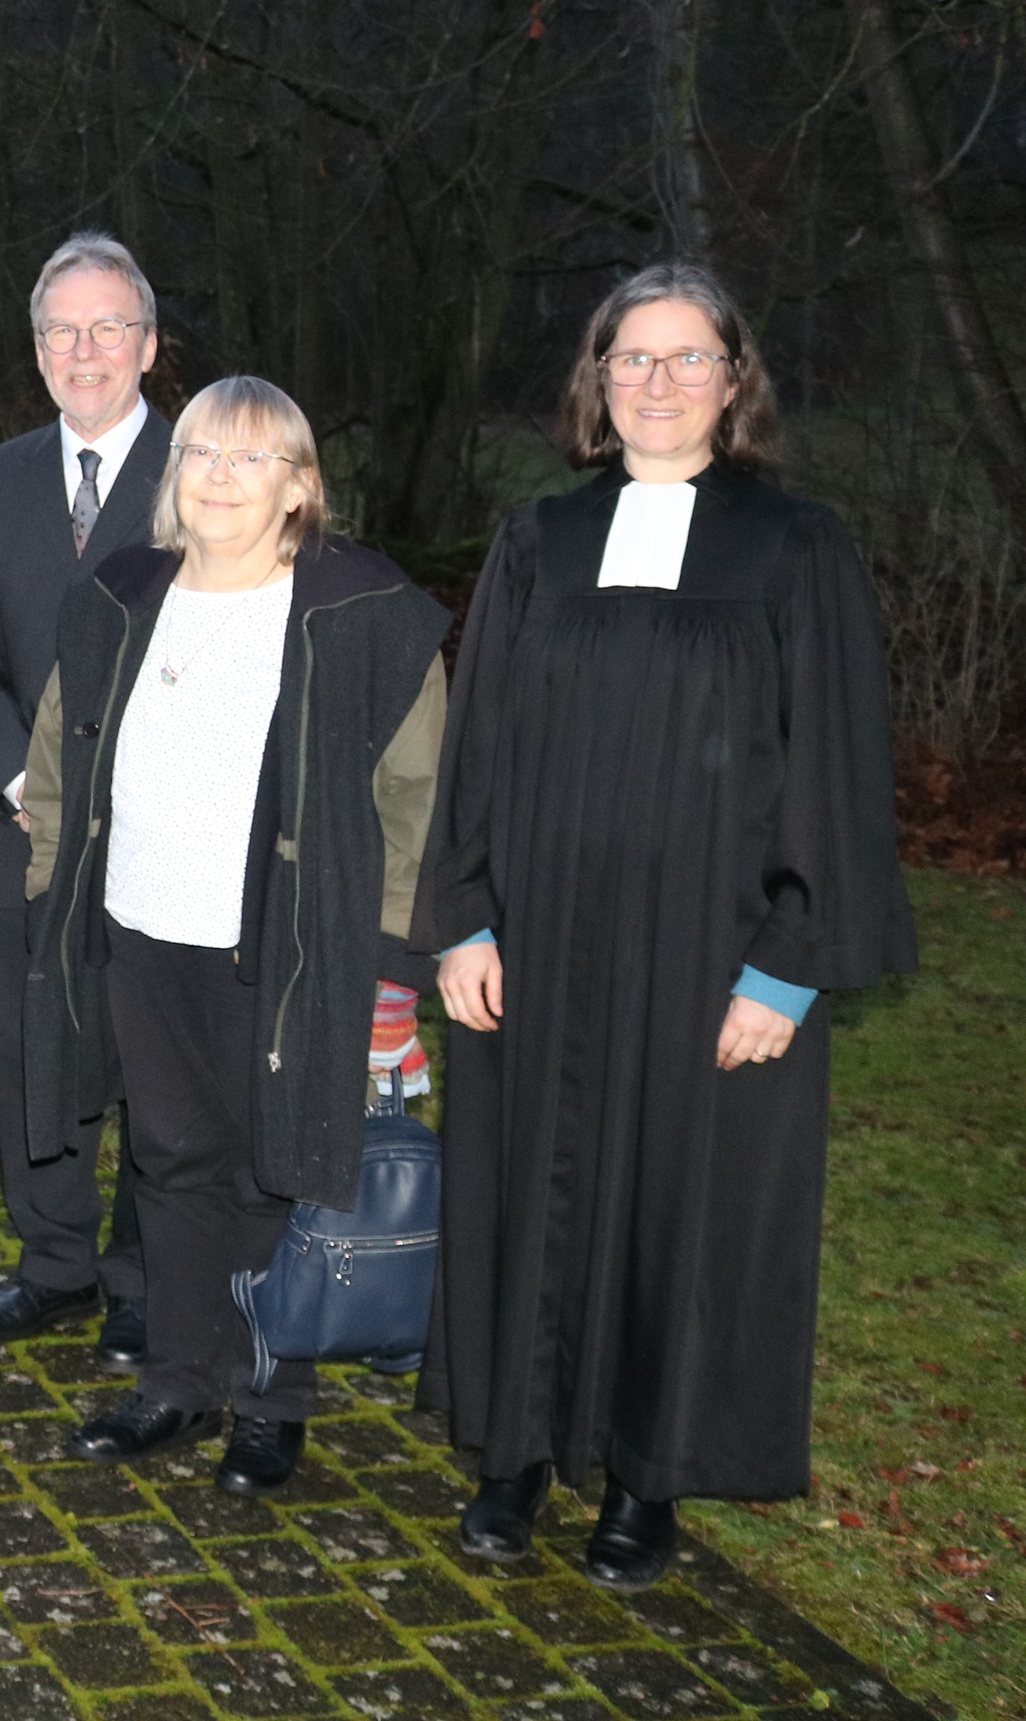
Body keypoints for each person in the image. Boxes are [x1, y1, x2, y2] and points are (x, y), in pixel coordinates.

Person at [415, 263, 914, 1590]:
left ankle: (649, 1473)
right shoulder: (538, 540)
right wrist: (464, 920)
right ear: (597, 378)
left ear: (734, 379)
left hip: (711, 949)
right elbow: (477, 749)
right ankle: (516, 1447)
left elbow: (835, 769)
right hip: (540, 934)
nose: (658, 381)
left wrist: (787, 969)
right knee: (526, 1182)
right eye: (632, 356)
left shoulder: (794, 547)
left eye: (689, 357)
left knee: (681, 1206)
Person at [17, 376, 449, 1495]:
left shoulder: (363, 611)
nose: (220, 476)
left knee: (274, 1165)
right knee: (168, 1158)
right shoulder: (120, 594)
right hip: (141, 925)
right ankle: (179, 1379)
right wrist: (52, 877)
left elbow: (416, 798)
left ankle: (270, 1399)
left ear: (299, 486)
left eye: (253, 458)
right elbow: (61, 752)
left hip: (292, 943)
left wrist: (391, 968)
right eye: (203, 452)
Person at [0, 233, 172, 1362]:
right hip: (23, 823)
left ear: (148, 344)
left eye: (108, 328)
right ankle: (54, 1264)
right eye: (61, 331)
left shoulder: (203, 469)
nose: (85, 351)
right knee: (34, 1047)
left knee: (151, 1057)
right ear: (37, 350)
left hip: (166, 828)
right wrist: (20, 776)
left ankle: (144, 1277)